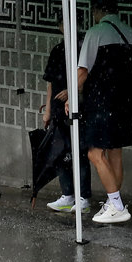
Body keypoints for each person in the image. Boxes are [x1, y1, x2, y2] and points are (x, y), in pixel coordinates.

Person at [75, 0, 132, 224]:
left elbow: (83, 71)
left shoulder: (95, 33)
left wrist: (72, 95)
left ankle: (116, 205)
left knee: (94, 152)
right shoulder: (130, 34)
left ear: (97, 10)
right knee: (116, 152)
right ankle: (114, 203)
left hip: (101, 102)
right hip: (124, 101)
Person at [43, 18, 92, 214]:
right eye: (63, 23)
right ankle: (68, 194)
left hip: (78, 106)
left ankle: (84, 196)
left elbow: (86, 76)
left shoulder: (82, 47)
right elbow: (49, 82)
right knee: (60, 153)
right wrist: (47, 110)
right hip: (57, 107)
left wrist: (71, 92)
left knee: (79, 152)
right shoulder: (57, 50)